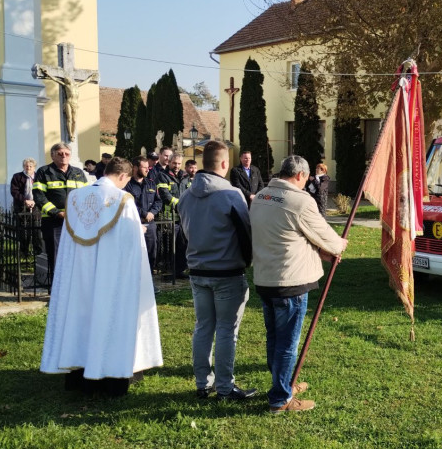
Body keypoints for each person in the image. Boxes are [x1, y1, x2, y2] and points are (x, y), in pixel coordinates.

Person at [40, 157, 163, 396]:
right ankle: (111, 375)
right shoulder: (122, 200)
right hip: (109, 275)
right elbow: (129, 246)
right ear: (123, 177)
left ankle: (77, 373)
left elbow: (68, 242)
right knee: (110, 315)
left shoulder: (74, 198)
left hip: (79, 277)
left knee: (81, 316)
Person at [251, 155, 348, 413]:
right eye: (305, 180)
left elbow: (288, 235)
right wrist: (339, 245)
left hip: (265, 278)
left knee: (274, 339)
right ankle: (280, 398)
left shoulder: (261, 196)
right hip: (290, 282)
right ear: (300, 176)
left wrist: (318, 250)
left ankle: (282, 384)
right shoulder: (300, 201)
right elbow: (327, 236)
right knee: (287, 344)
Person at [178, 140, 256, 400]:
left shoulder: (187, 196)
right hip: (226, 272)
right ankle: (224, 387)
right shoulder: (232, 195)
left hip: (198, 270)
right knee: (225, 330)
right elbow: (246, 235)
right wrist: (247, 261)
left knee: (203, 327)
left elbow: (186, 233)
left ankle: (203, 383)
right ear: (224, 164)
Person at [33, 143, 87, 280]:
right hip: (53, 221)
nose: (64, 156)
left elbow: (86, 195)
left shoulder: (78, 173)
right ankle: (56, 290)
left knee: (77, 255)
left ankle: (73, 287)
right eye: (60, 153)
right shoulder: (44, 172)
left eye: (67, 153)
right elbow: (39, 197)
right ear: (52, 155)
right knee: (56, 256)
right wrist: (57, 212)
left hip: (76, 221)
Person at [124, 156, 162, 270]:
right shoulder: (127, 184)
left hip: (150, 224)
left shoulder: (151, 183)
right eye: (144, 167)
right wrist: (144, 213)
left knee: (151, 252)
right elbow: (129, 203)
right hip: (134, 223)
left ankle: (149, 280)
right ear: (135, 168)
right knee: (133, 252)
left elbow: (158, 201)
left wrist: (152, 213)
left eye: (148, 167)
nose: (147, 170)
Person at [10, 157, 44, 256]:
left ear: (34, 167)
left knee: (36, 229)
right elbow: (14, 191)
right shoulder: (17, 177)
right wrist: (25, 201)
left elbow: (42, 191)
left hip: (36, 206)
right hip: (21, 206)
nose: (28, 168)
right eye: (26, 166)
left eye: (30, 166)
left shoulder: (39, 177)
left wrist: (35, 201)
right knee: (23, 230)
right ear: (23, 167)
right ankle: (24, 251)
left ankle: (38, 251)